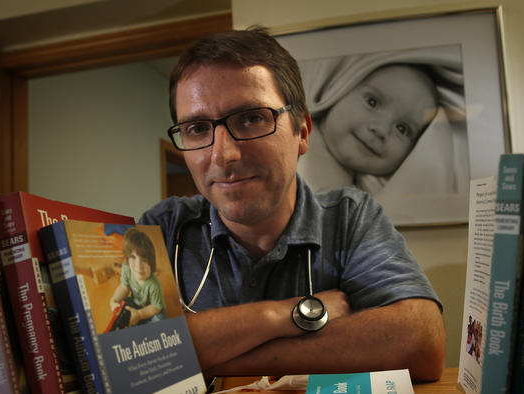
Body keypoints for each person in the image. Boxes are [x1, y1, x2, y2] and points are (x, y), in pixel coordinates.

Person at [139, 26, 446, 381]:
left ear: (301, 132)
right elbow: (127, 359)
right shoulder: (162, 228)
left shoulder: (349, 219)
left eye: (251, 118)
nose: (223, 155)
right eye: (196, 129)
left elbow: (420, 341)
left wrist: (205, 355)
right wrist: (286, 315)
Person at [297, 47, 469, 215]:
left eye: (402, 129)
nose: (380, 129)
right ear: (340, 89)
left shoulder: (372, 196)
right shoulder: (293, 136)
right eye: (372, 102)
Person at [109, 227, 166, 327]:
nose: (138, 266)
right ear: (127, 257)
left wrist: (139, 315)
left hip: (152, 308)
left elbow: (156, 307)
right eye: (133, 257)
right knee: (123, 309)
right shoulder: (126, 267)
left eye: (144, 260)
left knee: (160, 320)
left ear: (151, 264)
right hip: (135, 303)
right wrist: (114, 300)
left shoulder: (154, 284)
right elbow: (124, 287)